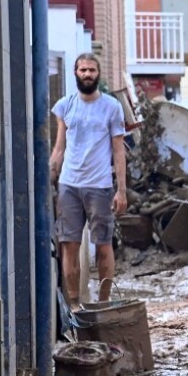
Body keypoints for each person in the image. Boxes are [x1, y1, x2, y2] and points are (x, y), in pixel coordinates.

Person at [48, 54, 127, 308]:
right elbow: (59, 147)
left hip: (100, 186)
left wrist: (121, 191)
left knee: (103, 246)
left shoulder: (112, 107)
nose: (87, 74)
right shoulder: (65, 106)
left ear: (98, 74)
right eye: (83, 69)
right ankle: (73, 306)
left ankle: (103, 304)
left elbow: (118, 150)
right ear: (75, 72)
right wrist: (51, 174)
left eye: (92, 70)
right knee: (69, 246)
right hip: (69, 186)